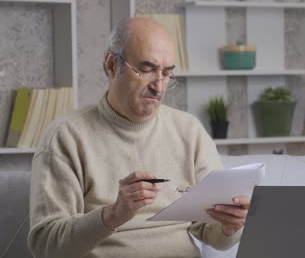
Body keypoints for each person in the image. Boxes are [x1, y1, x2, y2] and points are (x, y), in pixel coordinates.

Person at [28, 17, 249, 258]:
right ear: (112, 65)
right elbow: (45, 246)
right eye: (147, 69)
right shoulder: (65, 137)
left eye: (167, 73)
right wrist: (112, 215)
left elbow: (212, 234)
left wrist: (230, 226)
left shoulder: (189, 130)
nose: (159, 86)